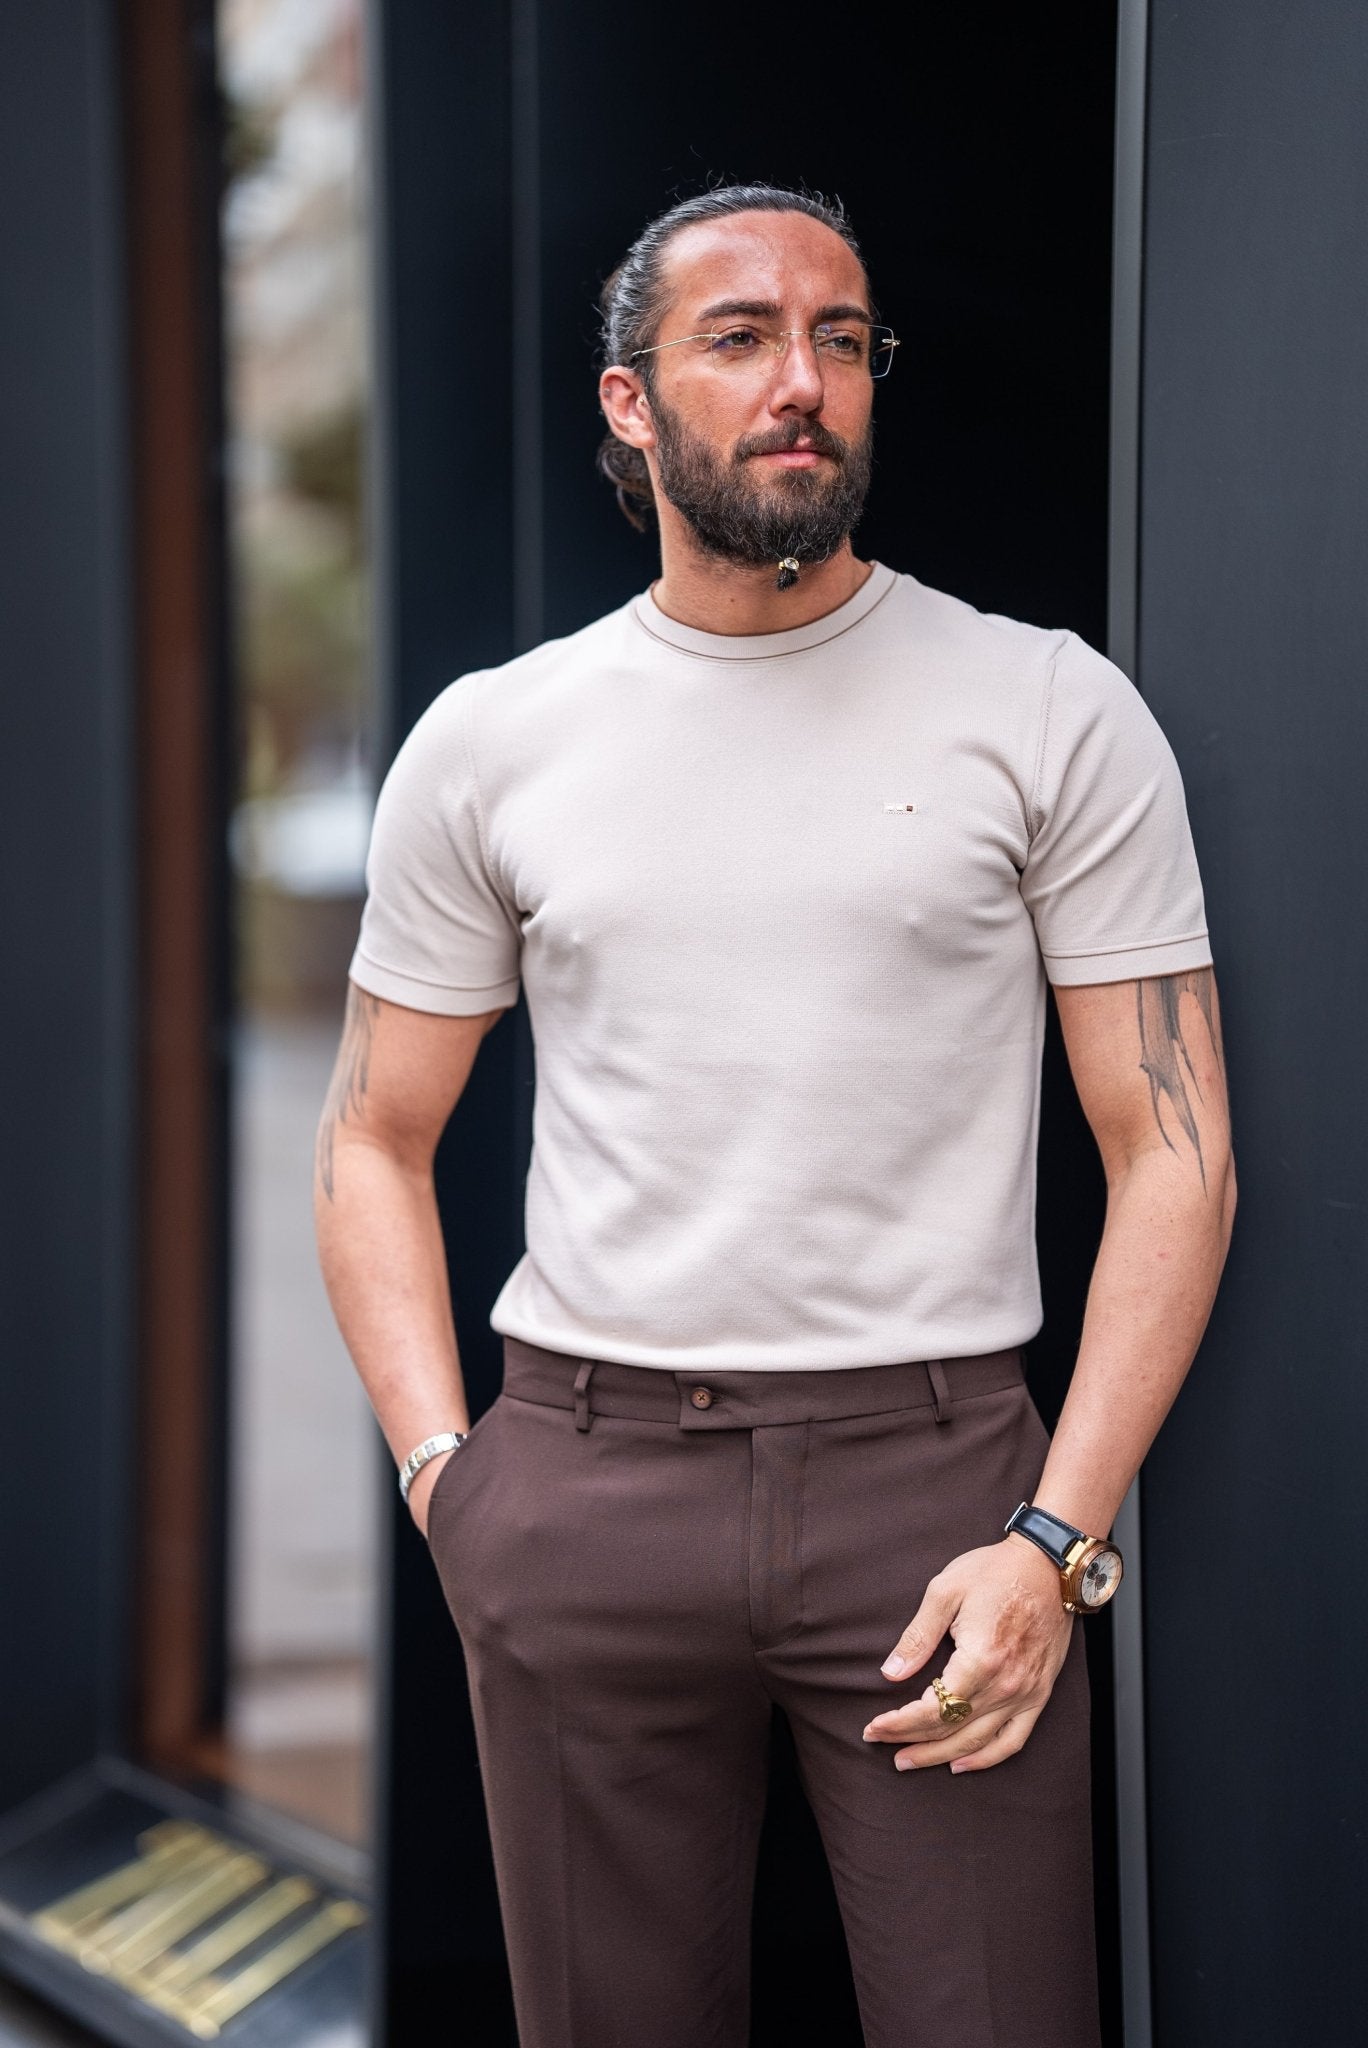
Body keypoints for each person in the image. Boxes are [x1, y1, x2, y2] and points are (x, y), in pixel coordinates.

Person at [314, 183, 1235, 2048]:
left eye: (840, 338)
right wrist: (449, 1483)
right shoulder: (498, 739)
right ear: (631, 404)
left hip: (943, 1492)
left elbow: (1177, 1147)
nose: (801, 380)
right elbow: (370, 1136)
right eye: (739, 339)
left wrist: (1056, 1543)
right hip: (581, 1479)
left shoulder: (1047, 707)